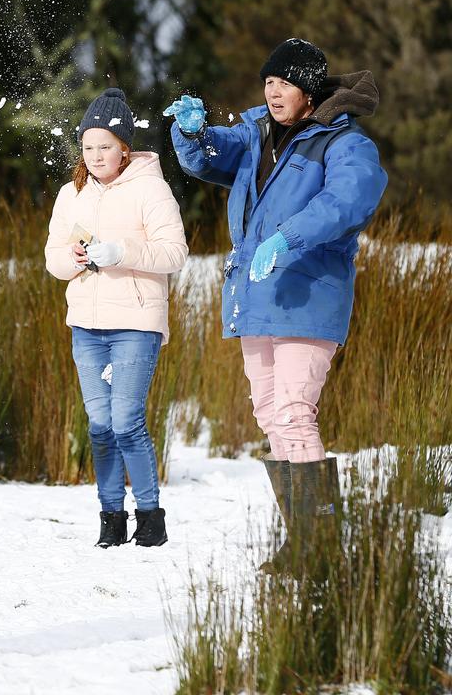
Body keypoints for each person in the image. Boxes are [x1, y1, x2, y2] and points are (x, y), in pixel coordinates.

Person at [164, 38, 387, 572]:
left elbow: (351, 198)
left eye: (284, 83)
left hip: (308, 294)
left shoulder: (343, 143)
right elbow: (207, 157)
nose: (273, 91)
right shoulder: (254, 133)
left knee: (292, 411)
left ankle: (320, 549)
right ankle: (305, 543)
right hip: (256, 296)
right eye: (268, 82)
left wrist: (289, 236)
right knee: (270, 413)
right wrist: (191, 131)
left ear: (309, 91)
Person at [45, 88, 188, 548]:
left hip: (135, 323)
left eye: (105, 146)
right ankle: (111, 518)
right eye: (88, 147)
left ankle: (150, 517)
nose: (96, 155)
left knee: (126, 421)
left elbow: (175, 253)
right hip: (86, 325)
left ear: (125, 146)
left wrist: (120, 252)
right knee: (100, 425)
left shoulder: (151, 187)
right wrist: (75, 257)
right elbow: (53, 261)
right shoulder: (72, 193)